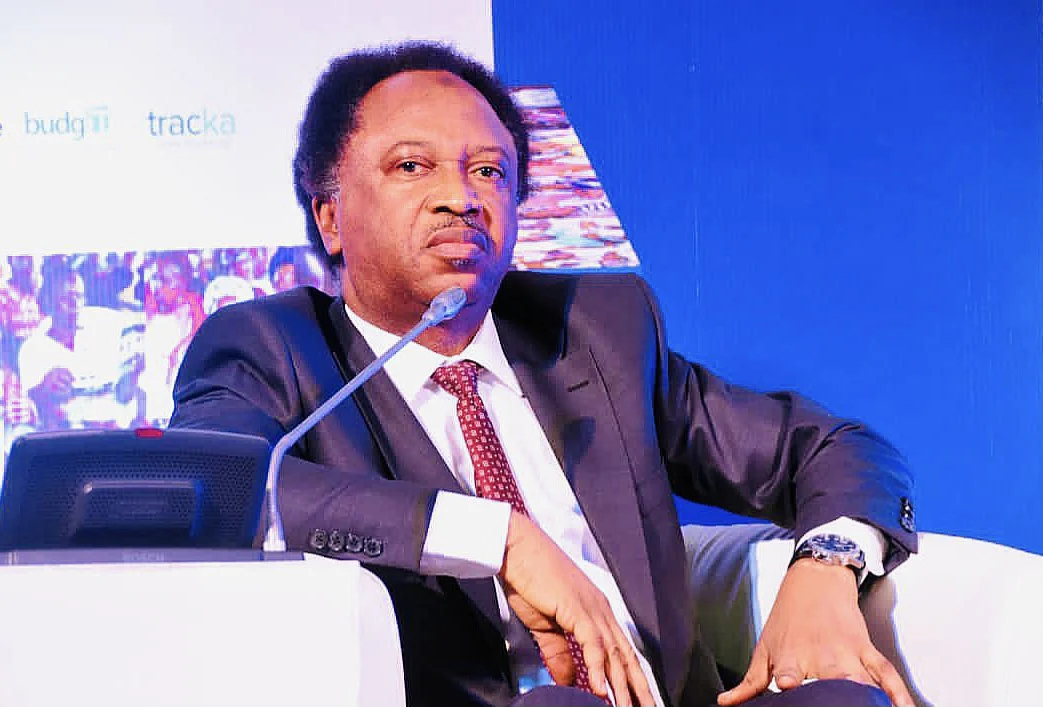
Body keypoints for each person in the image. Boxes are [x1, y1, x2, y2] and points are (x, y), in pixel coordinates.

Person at [170, 42, 917, 707]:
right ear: (330, 218)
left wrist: (826, 565)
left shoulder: (594, 332)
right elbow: (211, 487)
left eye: (488, 171)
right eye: (411, 167)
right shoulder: (272, 350)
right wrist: (500, 538)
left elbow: (833, 449)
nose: (461, 198)